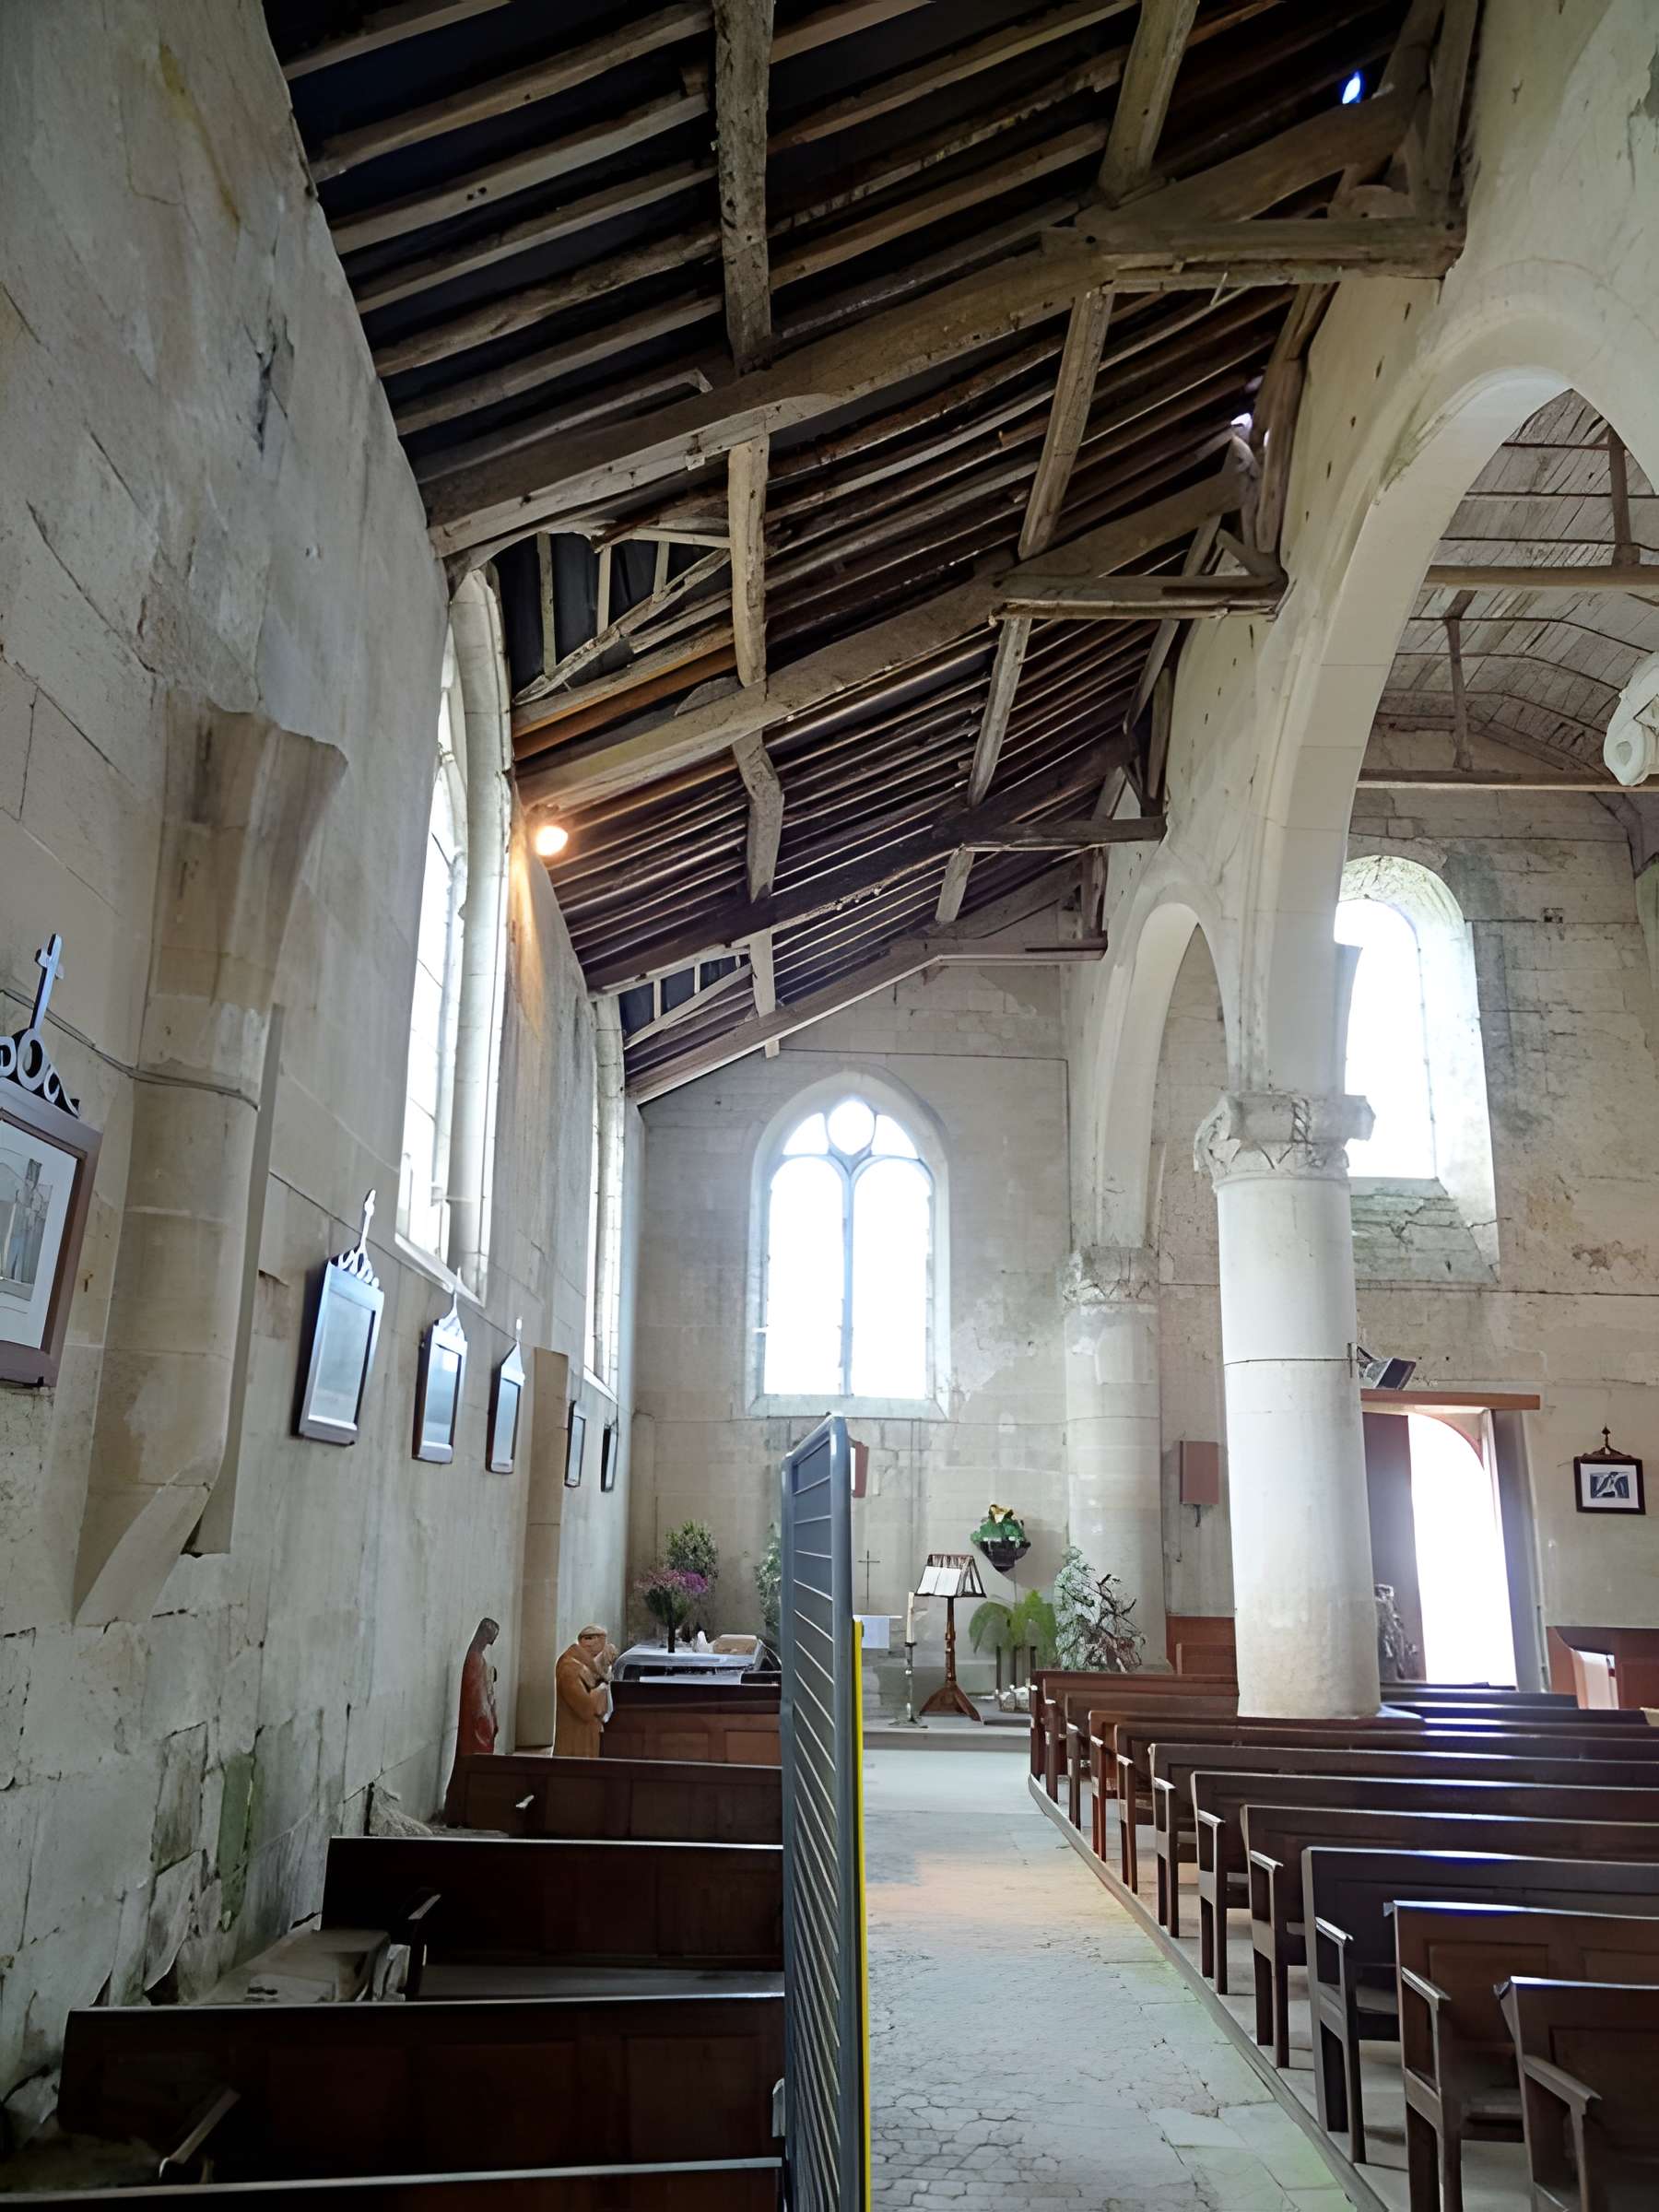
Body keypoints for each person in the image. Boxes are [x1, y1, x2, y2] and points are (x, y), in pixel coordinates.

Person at [442, 1617, 499, 1819]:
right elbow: (475, 1695)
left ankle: (468, 1807)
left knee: (475, 1767)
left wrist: (492, 1714)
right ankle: (463, 1809)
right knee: (470, 1765)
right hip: (475, 1725)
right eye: (488, 1638)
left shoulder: (479, 1659)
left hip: (482, 1722)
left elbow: (484, 1692)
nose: (488, 1642)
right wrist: (486, 1717)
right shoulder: (474, 1659)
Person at [554, 1624, 614, 1758]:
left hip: (585, 1739)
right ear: (587, 1642)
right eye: (600, 1652)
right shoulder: (568, 1667)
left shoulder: (587, 1666)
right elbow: (585, 1709)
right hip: (574, 1744)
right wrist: (603, 1689)